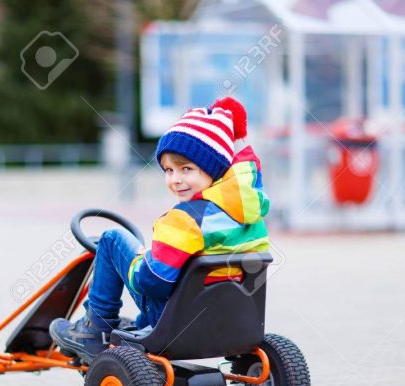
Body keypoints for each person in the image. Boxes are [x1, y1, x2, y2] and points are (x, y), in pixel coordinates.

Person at [49, 97, 270, 363]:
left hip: (177, 321)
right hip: (231, 320)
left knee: (111, 240)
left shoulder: (185, 220)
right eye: (168, 170)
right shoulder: (251, 218)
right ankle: (133, 326)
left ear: (214, 169)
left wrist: (143, 259)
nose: (175, 179)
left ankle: (94, 329)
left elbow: (153, 283)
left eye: (186, 169)